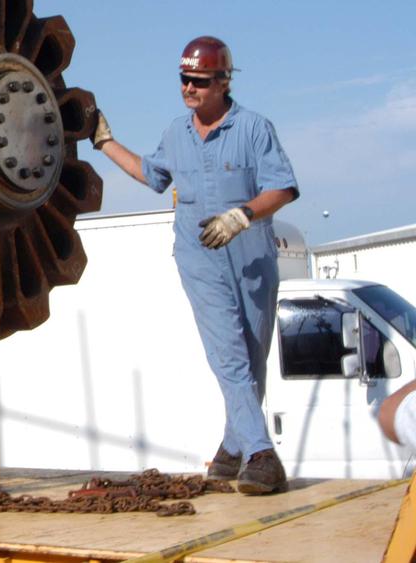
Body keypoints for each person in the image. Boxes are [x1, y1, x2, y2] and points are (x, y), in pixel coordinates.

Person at [90, 36, 299, 495]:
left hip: (252, 254)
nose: (190, 89)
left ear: (223, 82)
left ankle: (231, 448)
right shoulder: (175, 133)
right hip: (199, 255)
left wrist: (242, 215)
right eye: (185, 80)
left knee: (251, 354)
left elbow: (282, 188)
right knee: (228, 353)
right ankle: (263, 456)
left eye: (200, 82)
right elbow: (152, 175)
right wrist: (105, 143)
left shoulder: (254, 128)